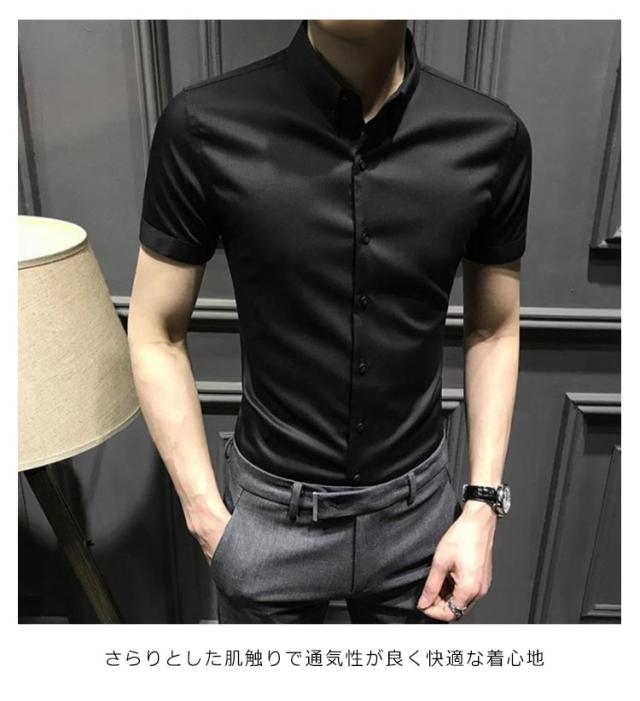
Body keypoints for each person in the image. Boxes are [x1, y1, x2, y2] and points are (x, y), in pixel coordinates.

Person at [128, 19, 532, 624]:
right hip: (267, 525)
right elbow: (156, 332)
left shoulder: (492, 137)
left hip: (419, 527)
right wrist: (205, 516)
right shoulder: (203, 125)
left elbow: (493, 330)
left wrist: (481, 508)